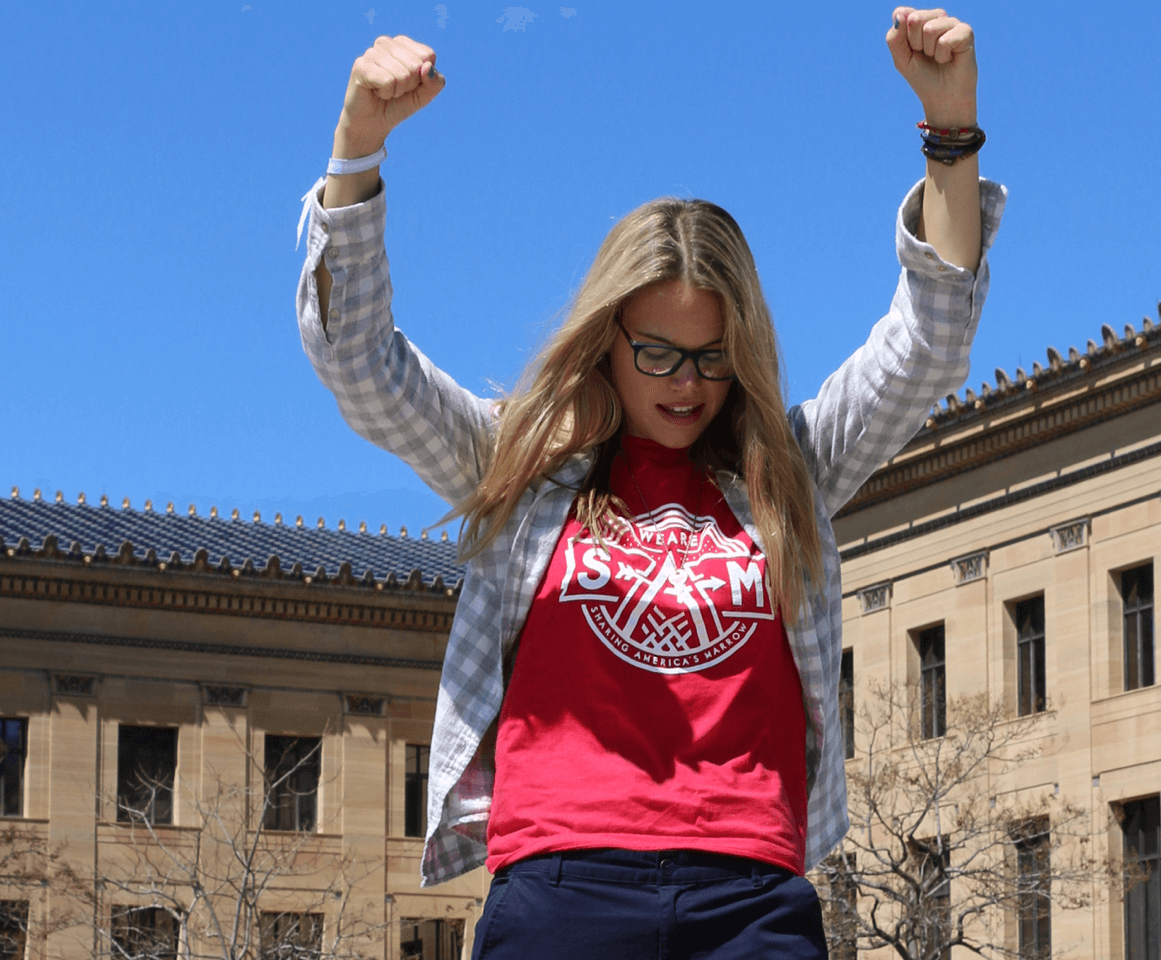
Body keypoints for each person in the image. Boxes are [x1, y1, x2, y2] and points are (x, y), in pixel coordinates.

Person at [295, 7, 1005, 957]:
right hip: (564, 881)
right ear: (607, 341)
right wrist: (357, 152)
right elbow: (363, 366)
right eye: (660, 353)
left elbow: (926, 348)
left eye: (713, 358)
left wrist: (949, 131)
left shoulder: (784, 475)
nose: (687, 383)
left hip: (749, 893)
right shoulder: (524, 468)